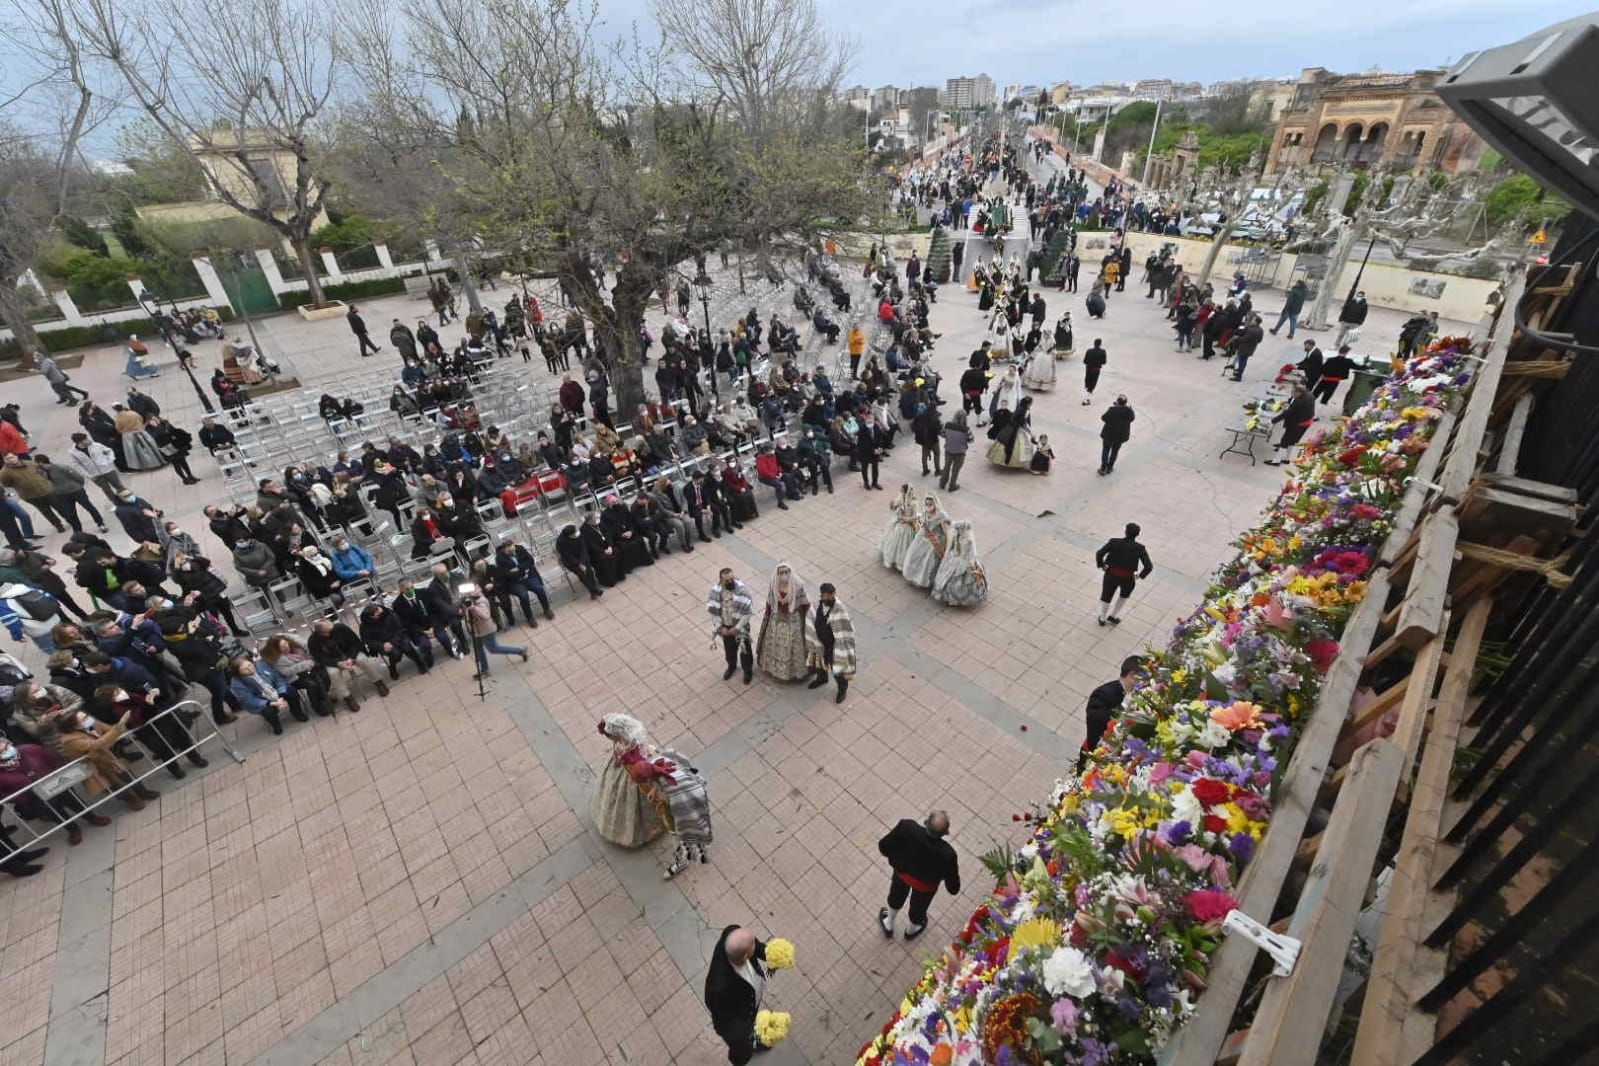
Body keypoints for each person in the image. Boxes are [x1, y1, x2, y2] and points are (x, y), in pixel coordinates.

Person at [876, 811, 960, 941]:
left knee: (896, 895)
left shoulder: (907, 828)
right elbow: (953, 888)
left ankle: (889, 923)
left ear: (926, 822)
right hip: (925, 886)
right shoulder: (947, 854)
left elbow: (883, 847)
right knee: (919, 906)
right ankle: (912, 928)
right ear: (946, 832)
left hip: (902, 874)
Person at [592, 712, 671, 848]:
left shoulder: (624, 743)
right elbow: (635, 763)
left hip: (631, 768)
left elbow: (631, 760)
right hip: (632, 769)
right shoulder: (626, 744)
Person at [704, 926, 777, 1064]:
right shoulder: (717, 988)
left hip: (748, 1004)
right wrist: (747, 1033)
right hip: (740, 1024)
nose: (756, 944)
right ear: (744, 956)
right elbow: (724, 1021)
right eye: (753, 945)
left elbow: (755, 946)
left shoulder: (733, 934)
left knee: (753, 1018)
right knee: (742, 1051)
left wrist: (771, 956)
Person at [307, 617, 391, 711]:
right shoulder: (313, 641)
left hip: (350, 654)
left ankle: (378, 682)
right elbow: (320, 658)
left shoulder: (341, 628)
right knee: (333, 673)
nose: (333, 630)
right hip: (333, 660)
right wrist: (338, 663)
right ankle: (347, 697)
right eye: (329, 631)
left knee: (363, 660)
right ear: (322, 633)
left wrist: (351, 658)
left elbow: (355, 643)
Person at [1078, 656, 1143, 771]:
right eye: (1142, 680)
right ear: (1132, 675)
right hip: (1097, 753)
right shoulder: (1103, 693)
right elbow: (1095, 718)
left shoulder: (1135, 694)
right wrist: (1123, 709)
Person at [755, 563, 809, 682]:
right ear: (777, 574)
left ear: (790, 572)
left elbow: (805, 603)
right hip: (777, 618)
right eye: (781, 572)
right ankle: (775, 669)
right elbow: (770, 603)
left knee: (793, 645)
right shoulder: (774, 585)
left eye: (786, 572)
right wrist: (768, 616)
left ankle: (794, 672)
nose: (784, 575)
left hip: (793, 620)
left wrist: (805, 620)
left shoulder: (798, 586)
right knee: (774, 642)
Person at [802, 581, 855, 703]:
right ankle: (822, 678)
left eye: (831, 595)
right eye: (825, 596)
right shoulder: (822, 603)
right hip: (821, 642)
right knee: (819, 662)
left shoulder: (840, 609)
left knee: (837, 669)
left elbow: (845, 629)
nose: (828, 597)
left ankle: (842, 688)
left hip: (834, 646)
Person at [1095, 522, 1154, 626]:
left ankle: (1103, 617)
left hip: (1111, 574)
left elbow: (1099, 553)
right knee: (1124, 596)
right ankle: (1113, 615)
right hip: (1128, 578)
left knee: (1107, 595)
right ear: (1138, 534)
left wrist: (1102, 565)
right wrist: (1140, 575)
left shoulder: (1114, 542)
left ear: (1125, 531)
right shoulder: (1140, 548)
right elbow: (1149, 566)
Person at [462, 587, 528, 677]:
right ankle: (484, 670)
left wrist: (473, 608)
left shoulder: (481, 601)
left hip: (486, 631)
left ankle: (520, 651)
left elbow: (485, 616)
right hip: (477, 631)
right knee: (479, 649)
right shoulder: (469, 600)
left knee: (494, 649)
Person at [707, 567, 755, 684]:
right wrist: (720, 627)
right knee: (729, 650)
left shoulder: (742, 591)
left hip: (740, 627)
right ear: (721, 580)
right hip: (725, 627)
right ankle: (731, 666)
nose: (730, 582)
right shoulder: (715, 592)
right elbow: (713, 611)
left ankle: (747, 671)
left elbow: (748, 612)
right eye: (727, 580)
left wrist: (737, 628)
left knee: (745, 651)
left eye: (732, 579)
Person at [931, 520, 987, 607]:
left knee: (963, 579)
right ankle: (950, 596)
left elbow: (970, 554)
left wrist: (970, 563)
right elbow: (951, 548)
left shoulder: (969, 541)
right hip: (955, 558)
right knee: (949, 577)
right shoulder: (955, 537)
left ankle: (959, 598)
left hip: (965, 561)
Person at [901, 494, 951, 590]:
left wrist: (947, 546)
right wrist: (907, 519)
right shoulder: (925, 511)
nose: (928, 506)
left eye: (930, 504)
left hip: (934, 541)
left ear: (935, 503)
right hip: (922, 537)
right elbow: (919, 516)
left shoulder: (941, 515)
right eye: (927, 504)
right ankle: (913, 577)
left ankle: (925, 581)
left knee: (928, 561)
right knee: (914, 556)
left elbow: (946, 531)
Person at [1266, 382, 1317, 466]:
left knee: (1284, 441)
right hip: (1306, 422)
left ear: (1298, 392)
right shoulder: (1309, 394)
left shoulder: (1299, 401)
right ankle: (1286, 459)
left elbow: (1287, 413)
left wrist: (1272, 421)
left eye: (1293, 393)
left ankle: (1276, 461)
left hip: (1297, 424)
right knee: (1293, 441)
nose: (1292, 395)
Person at [878, 485, 920, 571]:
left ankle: (901, 563)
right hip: (899, 524)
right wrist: (894, 507)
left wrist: (907, 519)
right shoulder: (900, 500)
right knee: (894, 541)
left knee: (904, 544)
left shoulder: (913, 503)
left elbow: (915, 516)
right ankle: (893, 560)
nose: (912, 492)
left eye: (912, 490)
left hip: (907, 526)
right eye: (910, 490)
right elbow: (894, 509)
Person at [1099, 394, 1135, 475]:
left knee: (1106, 450)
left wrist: (1115, 408)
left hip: (1108, 435)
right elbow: (1132, 419)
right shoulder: (1129, 412)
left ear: (1117, 402)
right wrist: (1130, 410)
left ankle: (1103, 468)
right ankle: (1110, 467)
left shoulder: (1112, 410)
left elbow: (1103, 418)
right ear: (1125, 403)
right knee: (1115, 451)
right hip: (1120, 436)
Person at [939, 410, 972, 493]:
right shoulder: (966, 429)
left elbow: (942, 434)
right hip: (960, 452)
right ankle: (952, 485)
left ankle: (942, 482)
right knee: (955, 469)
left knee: (946, 467)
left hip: (948, 450)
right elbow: (971, 440)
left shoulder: (947, 425)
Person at [1228, 314, 1265, 382]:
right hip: (1251, 348)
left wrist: (1237, 338)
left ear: (1256, 322)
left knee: (1242, 362)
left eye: (1253, 320)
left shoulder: (1251, 330)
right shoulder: (1261, 330)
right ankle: (1239, 372)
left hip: (1244, 348)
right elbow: (1259, 340)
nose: (1251, 321)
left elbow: (1244, 339)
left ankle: (1239, 377)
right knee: (1244, 361)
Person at [912, 401, 943, 478]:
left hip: (924, 440)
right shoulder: (935, 417)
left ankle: (925, 470)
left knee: (924, 455)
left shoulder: (922, 414)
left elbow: (914, 425)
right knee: (937, 454)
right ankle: (937, 470)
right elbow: (938, 430)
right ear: (935, 407)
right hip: (934, 440)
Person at [1082, 339, 1106, 405]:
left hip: (1088, 369)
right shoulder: (1103, 352)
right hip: (1096, 370)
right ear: (1100, 344)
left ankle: (1085, 398)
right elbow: (1104, 362)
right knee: (1092, 384)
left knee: (1087, 383)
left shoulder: (1089, 351)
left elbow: (1085, 361)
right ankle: (1085, 400)